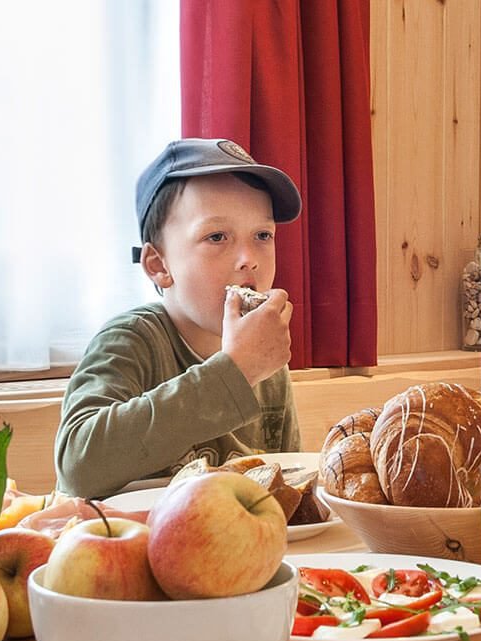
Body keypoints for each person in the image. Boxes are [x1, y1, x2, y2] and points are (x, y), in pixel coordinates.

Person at [55, 138, 303, 499]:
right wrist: (236, 371)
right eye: (217, 236)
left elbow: (287, 484)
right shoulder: (131, 341)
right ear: (159, 266)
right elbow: (78, 466)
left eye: (262, 235)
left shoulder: (266, 362)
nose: (249, 258)